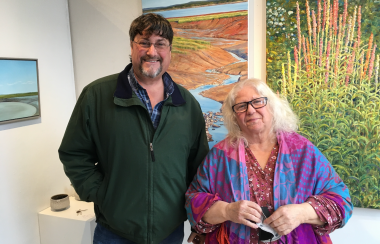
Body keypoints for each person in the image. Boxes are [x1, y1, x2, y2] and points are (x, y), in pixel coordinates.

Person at [58, 13, 209, 244]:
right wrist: (101, 194)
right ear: (132, 46)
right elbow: (74, 153)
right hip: (114, 231)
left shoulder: (187, 104)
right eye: (144, 42)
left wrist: (195, 213)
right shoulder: (97, 96)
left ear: (169, 51)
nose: (152, 51)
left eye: (160, 44)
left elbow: (199, 166)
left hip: (169, 231)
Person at [185, 79, 353, 244]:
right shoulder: (220, 155)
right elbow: (193, 201)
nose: (250, 110)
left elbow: (341, 202)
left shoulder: (303, 150)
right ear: (235, 116)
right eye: (241, 106)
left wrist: (302, 213)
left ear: (272, 106)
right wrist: (227, 210)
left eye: (258, 102)